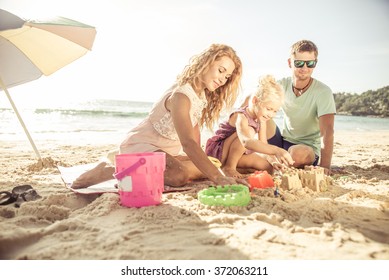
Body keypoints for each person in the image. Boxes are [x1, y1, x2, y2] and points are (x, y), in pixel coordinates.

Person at [71, 44, 244, 189]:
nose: (223, 80)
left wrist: (211, 168)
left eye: (227, 77)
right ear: (206, 63)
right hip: (143, 145)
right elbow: (188, 143)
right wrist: (218, 178)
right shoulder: (181, 96)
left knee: (212, 164)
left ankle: (135, 172)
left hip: (165, 154)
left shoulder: (200, 96)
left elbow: (194, 137)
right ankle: (111, 169)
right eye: (221, 71)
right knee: (179, 176)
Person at [267, 40, 336, 175]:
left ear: (315, 63)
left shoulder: (323, 92)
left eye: (310, 63)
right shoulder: (281, 85)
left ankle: (275, 160)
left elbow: (327, 130)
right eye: (299, 63)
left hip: (306, 148)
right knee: (258, 116)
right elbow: (255, 102)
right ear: (289, 63)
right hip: (282, 141)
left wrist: (325, 165)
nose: (305, 68)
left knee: (298, 154)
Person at [205, 75, 294, 178]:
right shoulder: (241, 116)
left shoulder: (262, 119)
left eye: (275, 111)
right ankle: (229, 167)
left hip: (236, 154)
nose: (271, 115)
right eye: (269, 109)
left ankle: (233, 167)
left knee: (268, 168)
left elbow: (263, 145)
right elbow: (246, 142)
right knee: (250, 131)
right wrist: (278, 150)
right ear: (255, 101)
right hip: (219, 151)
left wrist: (273, 161)